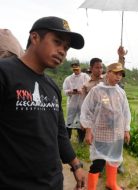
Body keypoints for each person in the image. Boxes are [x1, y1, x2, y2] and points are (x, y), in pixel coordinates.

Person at [0, 16, 85, 190]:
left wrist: (75, 164)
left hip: (53, 182)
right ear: (35, 38)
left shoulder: (52, 86)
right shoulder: (5, 73)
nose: (62, 51)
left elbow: (60, 132)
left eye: (66, 48)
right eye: (57, 42)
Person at [80, 62, 131, 190]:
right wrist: (88, 131)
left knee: (114, 158)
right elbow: (87, 111)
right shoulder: (97, 91)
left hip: (116, 133)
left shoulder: (120, 92)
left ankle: (111, 183)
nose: (118, 77)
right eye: (115, 73)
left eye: (120, 74)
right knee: (98, 162)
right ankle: (91, 188)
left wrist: (126, 130)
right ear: (107, 73)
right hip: (101, 134)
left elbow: (125, 112)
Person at [63, 61, 90, 143]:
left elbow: (89, 86)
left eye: (77, 67)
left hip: (82, 102)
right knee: (69, 120)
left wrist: (82, 90)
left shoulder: (85, 76)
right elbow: (65, 90)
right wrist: (71, 91)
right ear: (72, 69)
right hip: (72, 103)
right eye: (74, 68)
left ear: (79, 67)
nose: (75, 70)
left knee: (81, 120)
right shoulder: (68, 79)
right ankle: (67, 139)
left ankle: (81, 140)